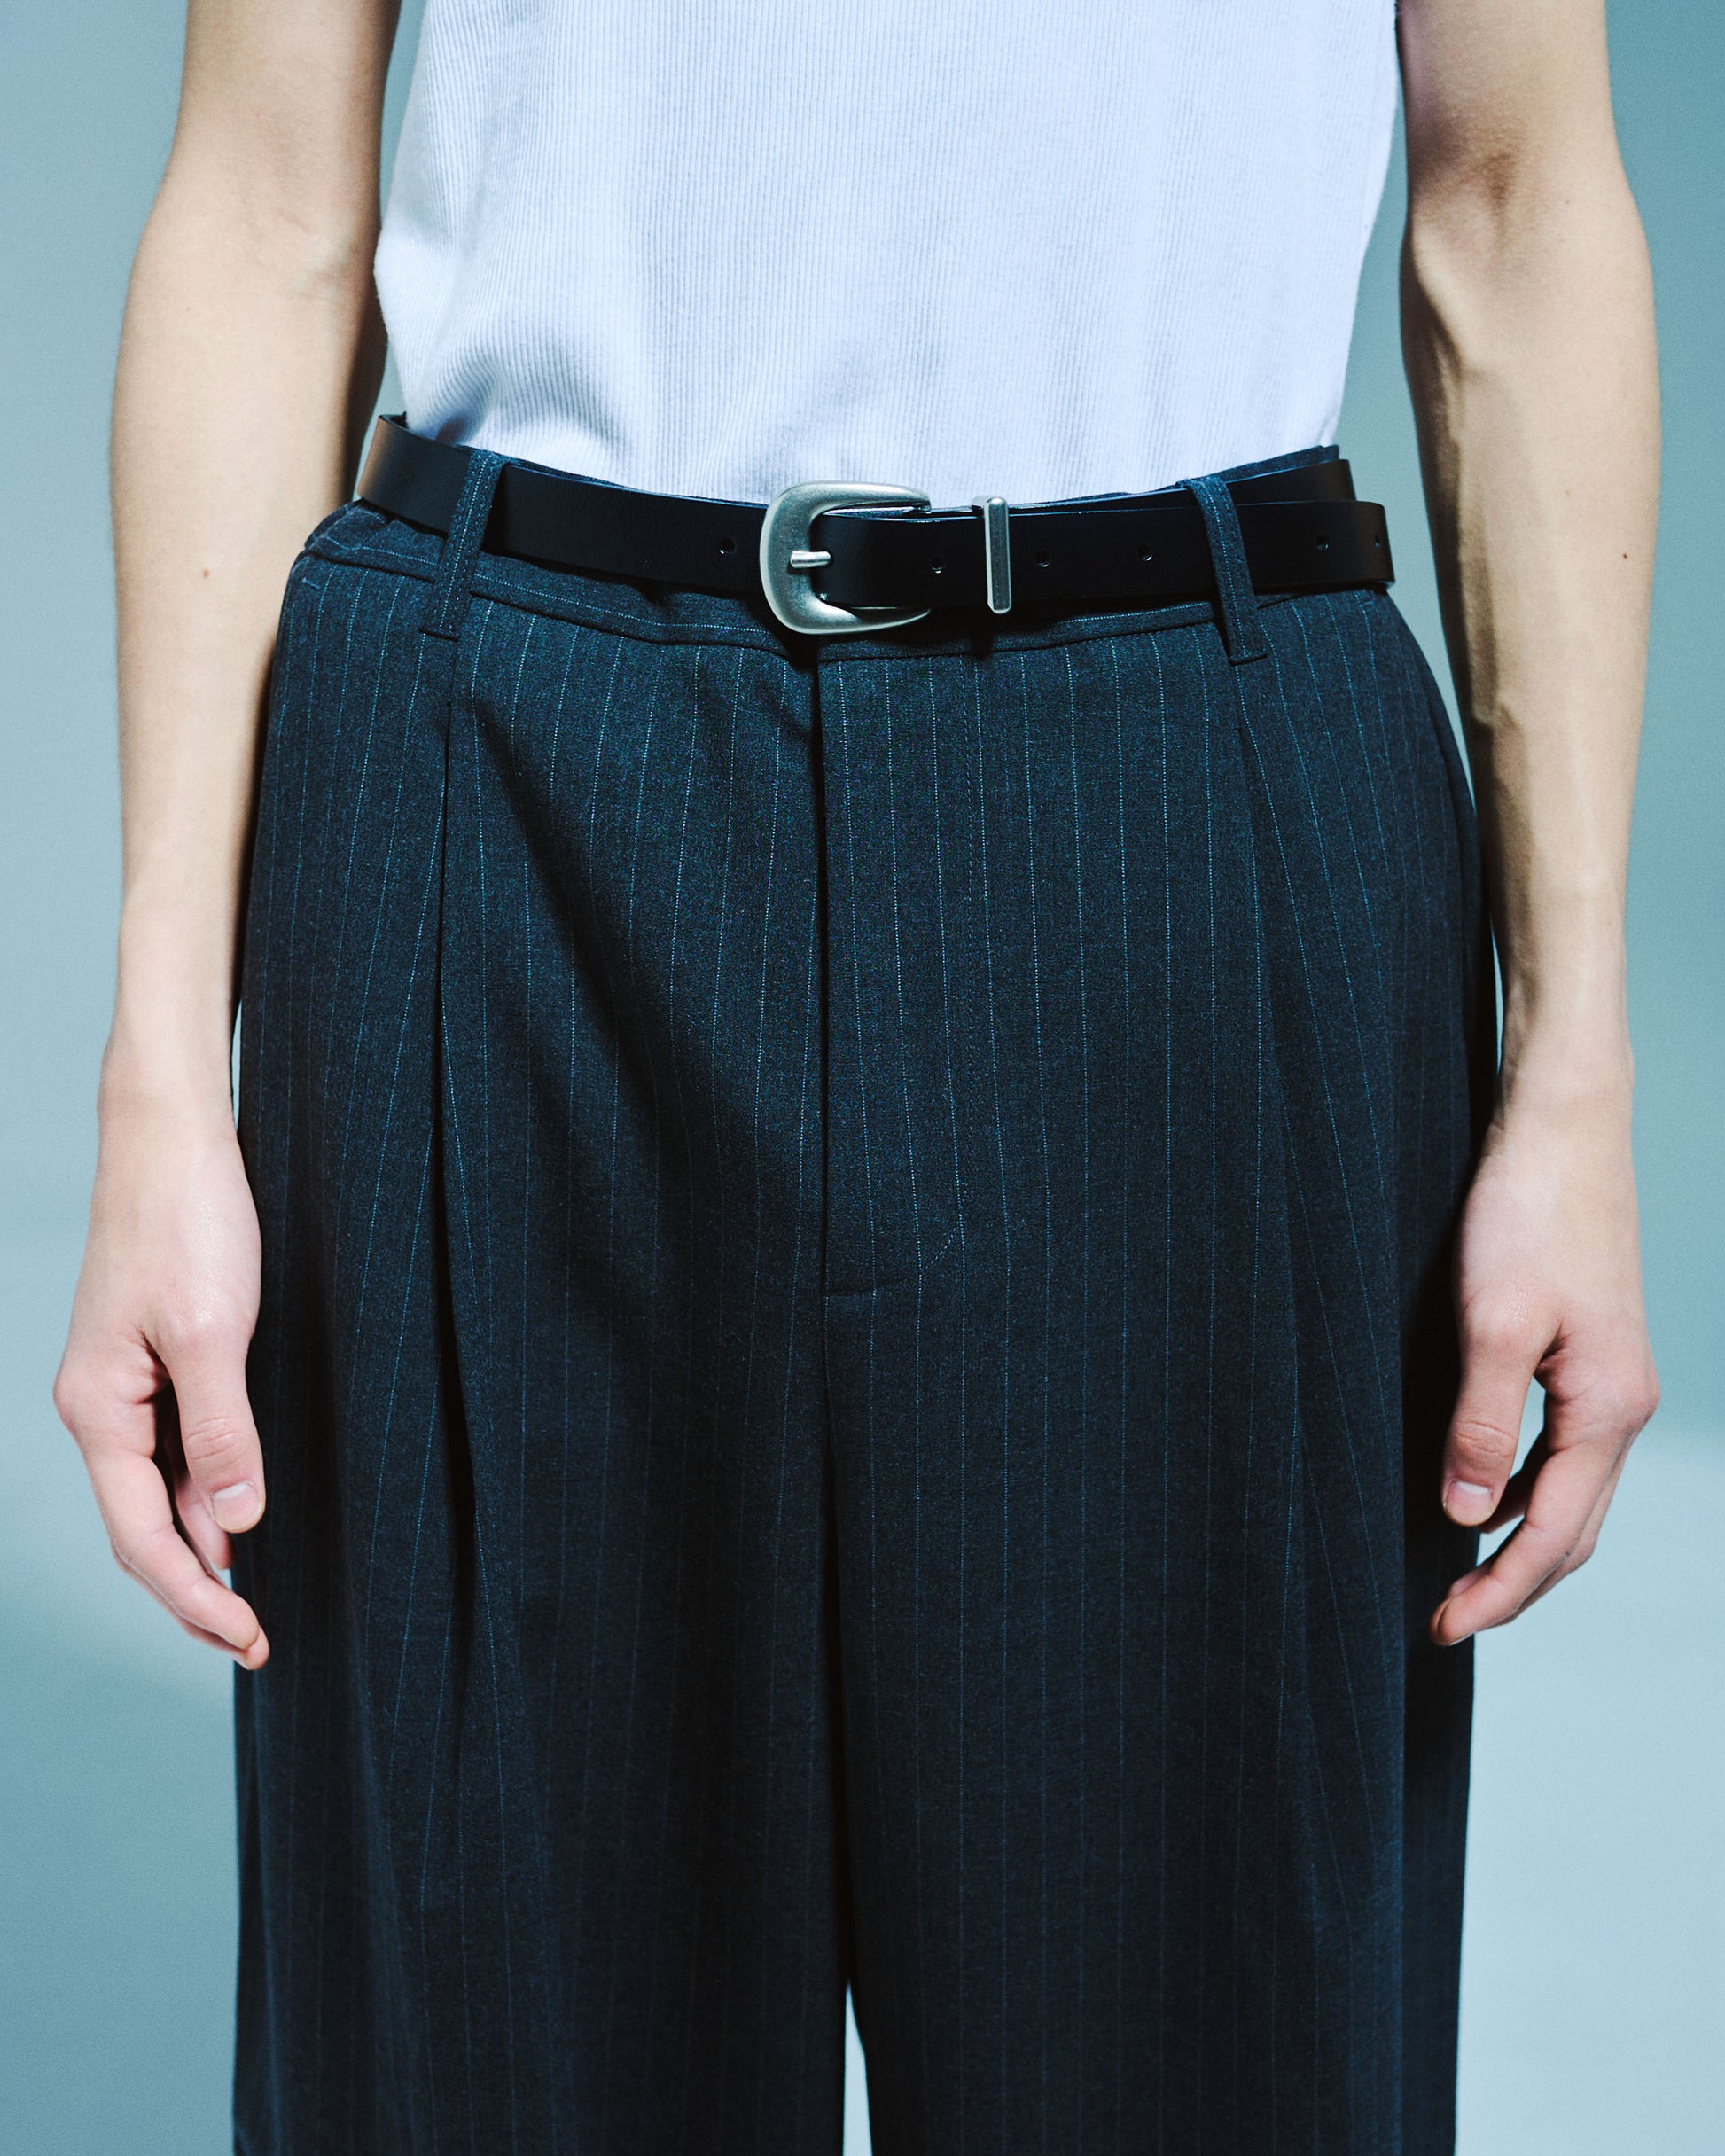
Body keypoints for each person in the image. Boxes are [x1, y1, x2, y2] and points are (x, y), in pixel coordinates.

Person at [54, 0, 1659, 2147]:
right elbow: (265, 202)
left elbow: (1516, 197)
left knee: (1212, 2059)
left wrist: (1573, 1065)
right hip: (509, 774)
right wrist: (164, 1070)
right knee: (475, 2059)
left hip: (1185, 801)